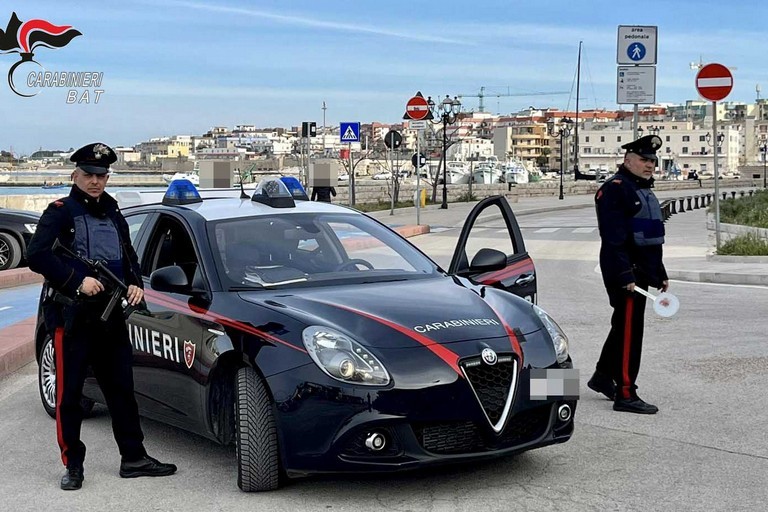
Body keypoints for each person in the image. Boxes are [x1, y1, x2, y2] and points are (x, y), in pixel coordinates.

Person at [27, 143, 177, 490]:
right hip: (72, 316)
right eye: (90, 175)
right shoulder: (60, 212)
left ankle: (134, 457)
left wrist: (135, 285)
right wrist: (77, 280)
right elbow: (37, 256)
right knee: (69, 395)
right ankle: (73, 465)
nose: (96, 181)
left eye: (102, 175)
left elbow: (128, 257)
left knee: (122, 389)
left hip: (110, 316)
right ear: (75, 175)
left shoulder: (112, 211)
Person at [588, 135, 669, 415]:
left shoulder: (640, 188)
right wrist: (625, 274)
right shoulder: (615, 189)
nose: (650, 165)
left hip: (640, 271)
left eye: (653, 160)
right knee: (630, 333)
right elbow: (613, 238)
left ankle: (602, 377)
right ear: (628, 160)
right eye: (644, 159)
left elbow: (650, 236)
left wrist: (659, 273)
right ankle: (625, 392)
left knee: (623, 327)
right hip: (626, 273)